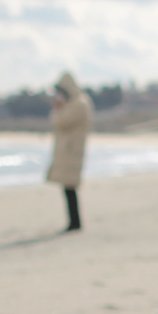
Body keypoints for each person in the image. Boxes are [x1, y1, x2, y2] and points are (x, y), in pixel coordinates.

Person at [47, 73, 92, 231]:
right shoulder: (77, 103)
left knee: (70, 187)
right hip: (69, 150)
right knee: (68, 187)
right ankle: (73, 222)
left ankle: (75, 222)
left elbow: (60, 122)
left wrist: (58, 108)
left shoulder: (78, 104)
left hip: (72, 151)